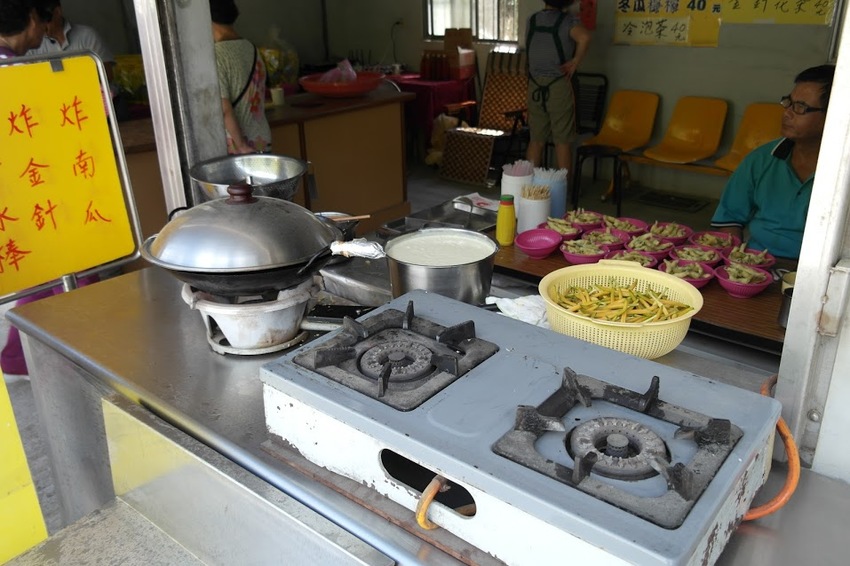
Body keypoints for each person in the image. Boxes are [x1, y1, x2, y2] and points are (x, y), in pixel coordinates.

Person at [710, 64, 835, 260]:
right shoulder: (762, 159)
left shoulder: (841, 172)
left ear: (835, 114)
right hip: (758, 261)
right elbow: (729, 219)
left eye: (800, 107)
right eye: (788, 102)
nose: (787, 113)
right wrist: (737, 261)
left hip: (819, 271)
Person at [524, 0, 592, 171]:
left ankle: (528, 184)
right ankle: (562, 187)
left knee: (536, 140)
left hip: (534, 86)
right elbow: (585, 37)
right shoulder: (568, 21)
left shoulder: (532, 20)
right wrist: (576, 61)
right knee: (562, 142)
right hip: (559, 86)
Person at [210, 0, 271, 154]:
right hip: (262, 140)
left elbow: (224, 109)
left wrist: (242, 145)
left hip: (239, 148)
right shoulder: (252, 48)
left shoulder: (217, 56)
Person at [28, 0, 115, 82]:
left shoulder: (87, 36)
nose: (40, 26)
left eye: (43, 19)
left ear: (57, 12)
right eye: (36, 21)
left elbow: (107, 75)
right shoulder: (32, 46)